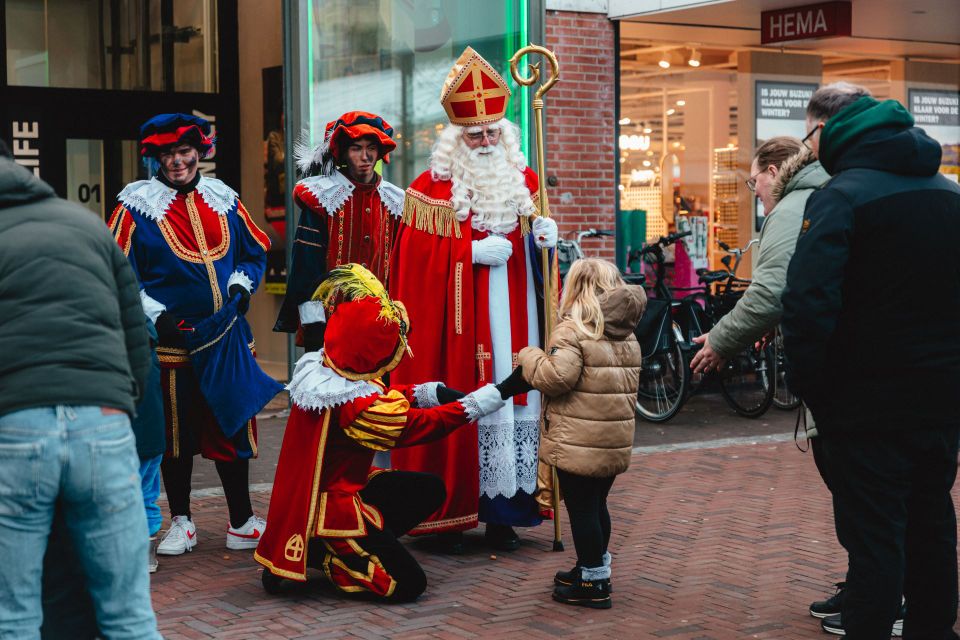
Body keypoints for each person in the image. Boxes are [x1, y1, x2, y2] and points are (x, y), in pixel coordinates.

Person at [782, 81, 960, 638]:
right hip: (939, 401)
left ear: (835, 138)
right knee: (933, 527)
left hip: (865, 408)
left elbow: (809, 304)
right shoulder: (949, 194)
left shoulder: (839, 197)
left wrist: (818, 392)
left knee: (874, 539)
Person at [255, 264, 512, 601]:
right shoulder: (356, 407)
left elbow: (378, 390)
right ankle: (331, 554)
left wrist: (428, 392)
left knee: (429, 489)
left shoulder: (327, 366)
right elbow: (420, 426)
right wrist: (488, 398)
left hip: (333, 490)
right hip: (334, 507)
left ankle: (362, 542)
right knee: (409, 585)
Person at [388, 46, 559, 552]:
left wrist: (543, 240)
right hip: (466, 326)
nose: (484, 141)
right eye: (474, 134)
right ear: (455, 139)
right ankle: (453, 509)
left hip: (520, 313)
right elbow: (411, 267)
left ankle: (507, 512)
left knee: (519, 397)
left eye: (491, 132)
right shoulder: (429, 189)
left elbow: (540, 258)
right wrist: (466, 252)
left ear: (505, 133)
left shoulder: (526, 180)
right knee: (475, 396)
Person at [0, 140, 161, 637]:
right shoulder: (86, 224)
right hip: (103, 421)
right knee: (129, 612)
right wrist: (120, 408)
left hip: (16, 425)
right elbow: (137, 335)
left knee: (15, 614)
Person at [109, 113, 272, 556]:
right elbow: (118, 272)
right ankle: (182, 521)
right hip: (171, 343)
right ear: (155, 158)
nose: (177, 162)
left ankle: (241, 521)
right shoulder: (134, 207)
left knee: (233, 427)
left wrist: (241, 289)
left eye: (184, 152)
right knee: (176, 438)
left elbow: (254, 252)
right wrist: (156, 317)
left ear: (199, 153)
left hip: (227, 339)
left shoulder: (224, 198)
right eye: (168, 155)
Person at [508, 259, 645, 609]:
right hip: (613, 440)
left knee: (583, 511)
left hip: (578, 439)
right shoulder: (626, 332)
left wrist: (529, 355)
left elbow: (557, 378)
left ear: (577, 287)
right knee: (597, 506)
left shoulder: (575, 330)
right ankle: (592, 567)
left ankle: (593, 585)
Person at [689, 137, 828, 374]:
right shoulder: (825, 193)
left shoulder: (789, 211)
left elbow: (770, 293)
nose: (754, 193)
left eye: (754, 182)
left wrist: (720, 340)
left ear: (773, 172)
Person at [274, 111, 404, 351]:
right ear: (343, 152)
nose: (365, 156)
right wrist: (313, 323)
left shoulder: (394, 201)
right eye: (356, 148)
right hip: (329, 324)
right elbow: (306, 266)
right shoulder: (323, 198)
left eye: (371, 148)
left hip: (379, 323)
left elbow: (399, 266)